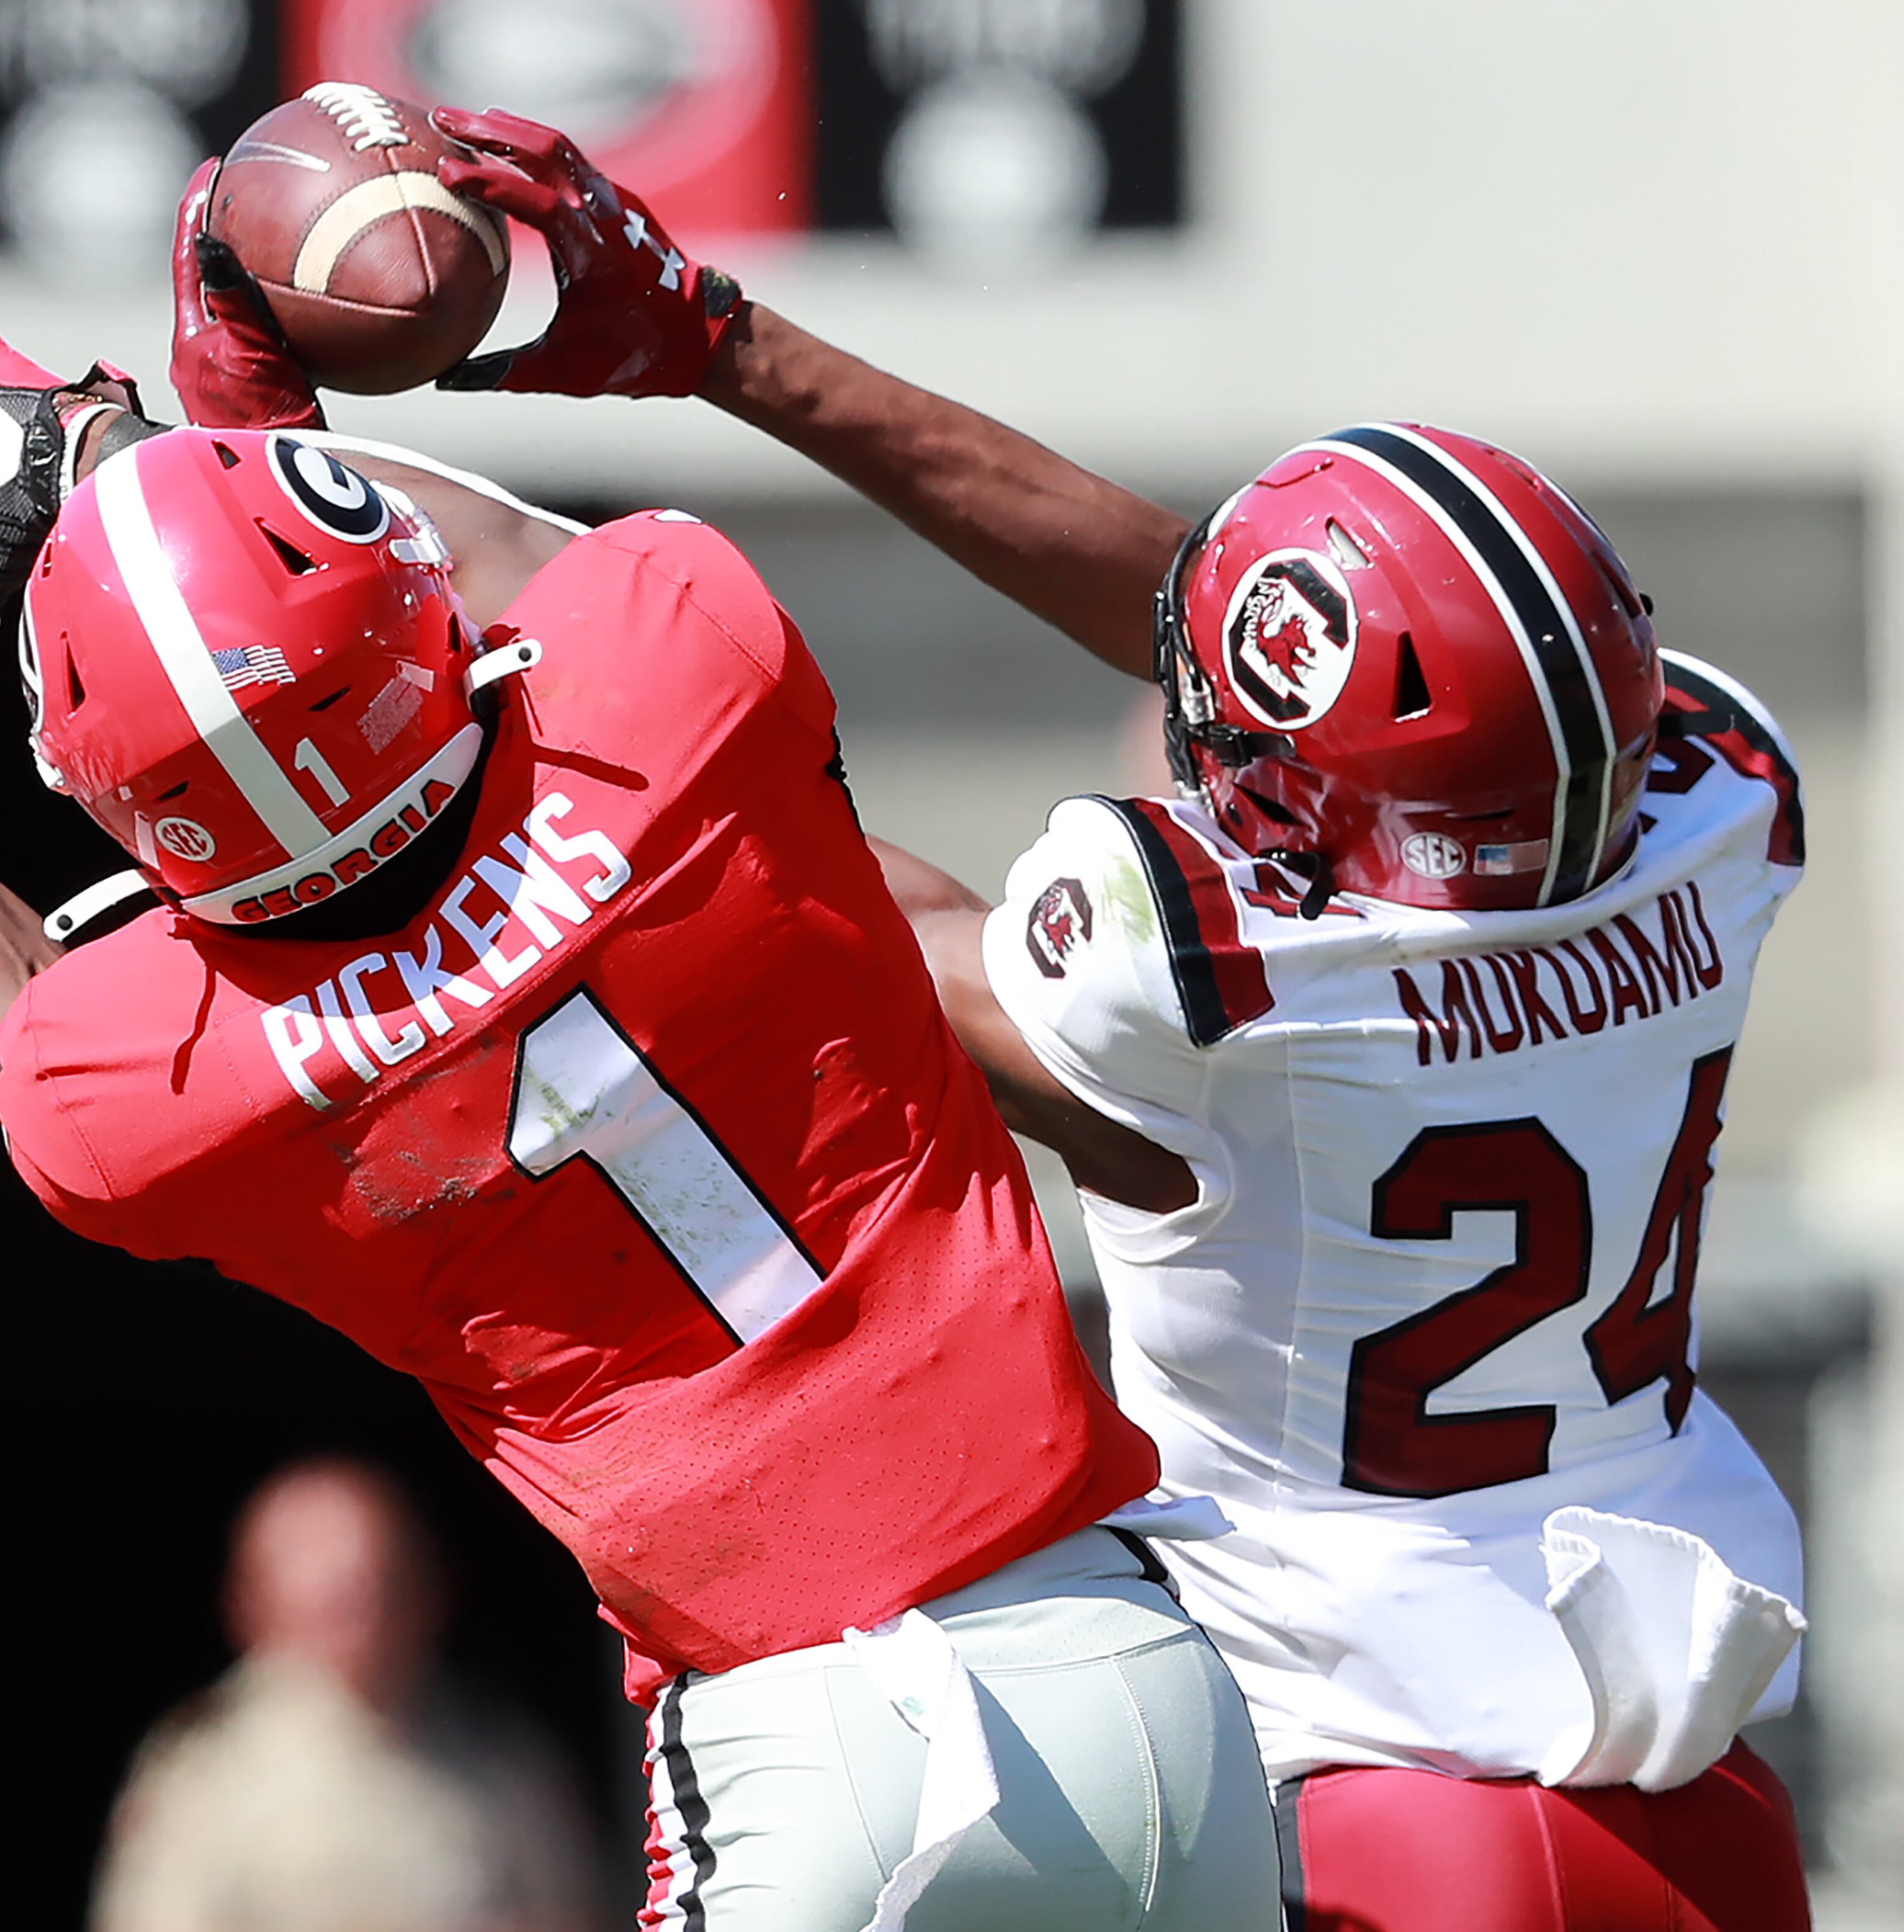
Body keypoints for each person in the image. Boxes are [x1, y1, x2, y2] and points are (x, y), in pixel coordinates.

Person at [0, 173, 1279, 1932]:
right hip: (1126, 1663)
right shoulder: (672, 683)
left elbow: (4, 1001)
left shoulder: (163, 1094)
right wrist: (111, 452)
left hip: (796, 1738)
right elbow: (488, 566)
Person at [384, 106, 1819, 1932]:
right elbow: (1206, 628)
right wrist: (715, 348)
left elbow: (764, 871)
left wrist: (277, 557)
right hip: (1692, 1795)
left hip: (1349, 1803)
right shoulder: (1713, 819)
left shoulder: (1217, 983)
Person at [92, 1458, 594, 1932]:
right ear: (251, 1606)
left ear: (433, 1593)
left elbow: (577, 1910)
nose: (364, 1621)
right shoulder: (200, 1770)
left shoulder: (507, 1756)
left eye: (383, 1587)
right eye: (330, 1599)